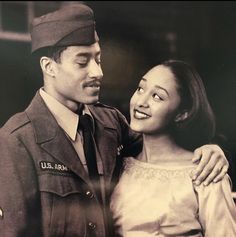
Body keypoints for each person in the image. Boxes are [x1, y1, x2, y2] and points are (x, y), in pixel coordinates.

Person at [0, 4, 229, 237]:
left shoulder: (111, 124)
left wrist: (211, 148)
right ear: (49, 67)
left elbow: (161, 150)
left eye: (98, 59)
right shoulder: (17, 141)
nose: (97, 72)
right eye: (82, 62)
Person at [110, 60, 236, 237]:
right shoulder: (118, 165)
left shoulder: (205, 173)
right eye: (141, 89)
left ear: (182, 113)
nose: (141, 102)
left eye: (157, 97)